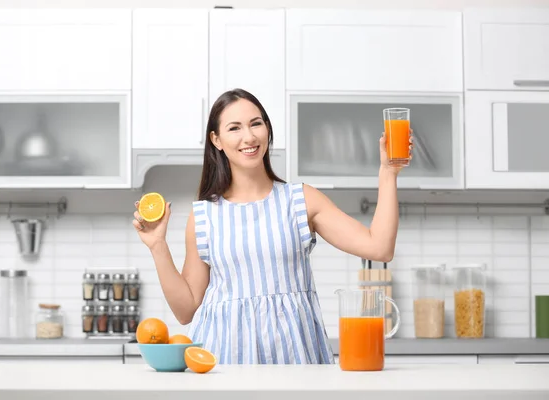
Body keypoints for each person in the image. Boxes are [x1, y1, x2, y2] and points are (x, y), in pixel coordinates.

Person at [132, 88, 411, 364]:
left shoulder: (300, 200)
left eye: (256, 124)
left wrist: (388, 172)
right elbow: (186, 310)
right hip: (225, 363)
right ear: (216, 140)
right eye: (234, 128)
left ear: (267, 128)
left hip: (295, 359)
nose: (249, 137)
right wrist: (158, 246)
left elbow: (380, 247)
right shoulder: (204, 215)